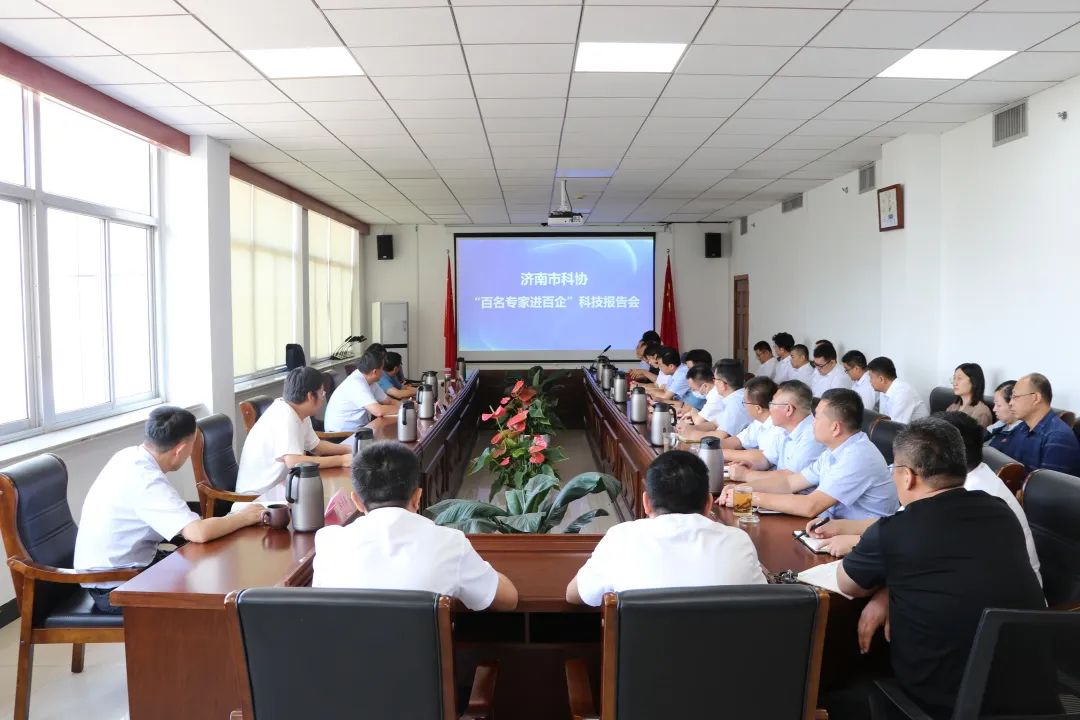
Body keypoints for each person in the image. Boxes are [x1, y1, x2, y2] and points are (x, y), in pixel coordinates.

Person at [836, 418, 1045, 720]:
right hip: (1028, 697)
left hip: (941, 704)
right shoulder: (1000, 511)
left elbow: (848, 584)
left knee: (839, 691)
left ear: (907, 476)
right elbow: (955, 567)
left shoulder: (895, 530)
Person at [74, 407, 265, 614]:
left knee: (210, 566)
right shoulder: (146, 479)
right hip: (116, 585)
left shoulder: (128, 456)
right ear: (180, 450)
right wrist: (244, 517)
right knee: (211, 588)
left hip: (127, 568)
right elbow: (198, 533)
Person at [807, 411, 1045, 575]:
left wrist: (857, 543)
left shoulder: (977, 494)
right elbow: (901, 522)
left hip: (1002, 614)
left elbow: (922, 545)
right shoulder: (947, 481)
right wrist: (842, 526)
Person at [313, 441, 518, 611]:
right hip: (424, 652)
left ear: (356, 501)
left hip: (346, 651)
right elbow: (508, 600)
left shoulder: (329, 543)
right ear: (417, 497)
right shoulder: (450, 543)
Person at [566, 450, 766, 606]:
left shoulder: (620, 539)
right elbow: (764, 604)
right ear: (708, 504)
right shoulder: (738, 542)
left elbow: (574, 595)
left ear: (646, 503)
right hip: (723, 649)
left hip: (642, 650)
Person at [718, 389, 897, 519]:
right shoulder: (835, 450)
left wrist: (749, 498)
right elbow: (790, 482)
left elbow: (811, 506)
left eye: (817, 417)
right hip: (829, 529)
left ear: (835, 428)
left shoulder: (857, 456)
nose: (812, 423)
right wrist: (744, 489)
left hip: (859, 541)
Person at [236, 366, 352, 501]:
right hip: (257, 499)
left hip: (282, 489)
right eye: (322, 393)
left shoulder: (298, 411)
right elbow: (294, 462)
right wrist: (341, 460)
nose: (323, 397)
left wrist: (351, 449)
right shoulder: (285, 416)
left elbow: (316, 446)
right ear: (310, 396)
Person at [723, 380, 824, 482]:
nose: (769, 409)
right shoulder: (785, 429)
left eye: (772, 404)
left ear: (788, 410)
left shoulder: (812, 435)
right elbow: (767, 459)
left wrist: (746, 475)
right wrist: (749, 465)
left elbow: (791, 477)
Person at [1006, 373, 1080, 475]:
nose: (1010, 403)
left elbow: (1048, 483)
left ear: (1036, 398)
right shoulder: (1021, 427)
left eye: (1015, 397)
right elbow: (1008, 465)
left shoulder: (1058, 436)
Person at [324, 351, 399, 432]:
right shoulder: (357, 383)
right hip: (341, 434)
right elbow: (378, 411)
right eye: (382, 368)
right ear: (375, 372)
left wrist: (406, 406)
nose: (383, 371)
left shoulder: (370, 380)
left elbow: (389, 401)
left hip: (359, 429)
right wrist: (401, 409)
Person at [679, 360, 751, 440]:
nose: (713, 382)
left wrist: (691, 434)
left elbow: (721, 436)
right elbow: (714, 424)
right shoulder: (734, 397)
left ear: (722, 384)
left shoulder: (736, 403)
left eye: (715, 379)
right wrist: (690, 428)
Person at [720, 376, 781, 451]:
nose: (744, 406)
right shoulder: (758, 422)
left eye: (745, 402)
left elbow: (763, 456)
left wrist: (719, 452)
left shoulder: (778, 427)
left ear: (758, 409)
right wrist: (709, 446)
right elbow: (737, 441)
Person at [867, 356, 929, 423]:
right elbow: (884, 420)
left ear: (881, 379)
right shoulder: (884, 391)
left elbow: (896, 427)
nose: (870, 381)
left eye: (871, 377)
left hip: (920, 429)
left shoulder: (902, 393)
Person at [945, 363, 992, 429]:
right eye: (954, 378)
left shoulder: (981, 413)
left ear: (974, 381)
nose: (955, 383)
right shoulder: (953, 406)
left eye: (959, 378)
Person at [987, 380, 1023, 455]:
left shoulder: (1021, 434)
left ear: (1013, 404)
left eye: (998, 405)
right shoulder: (1002, 423)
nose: (994, 409)